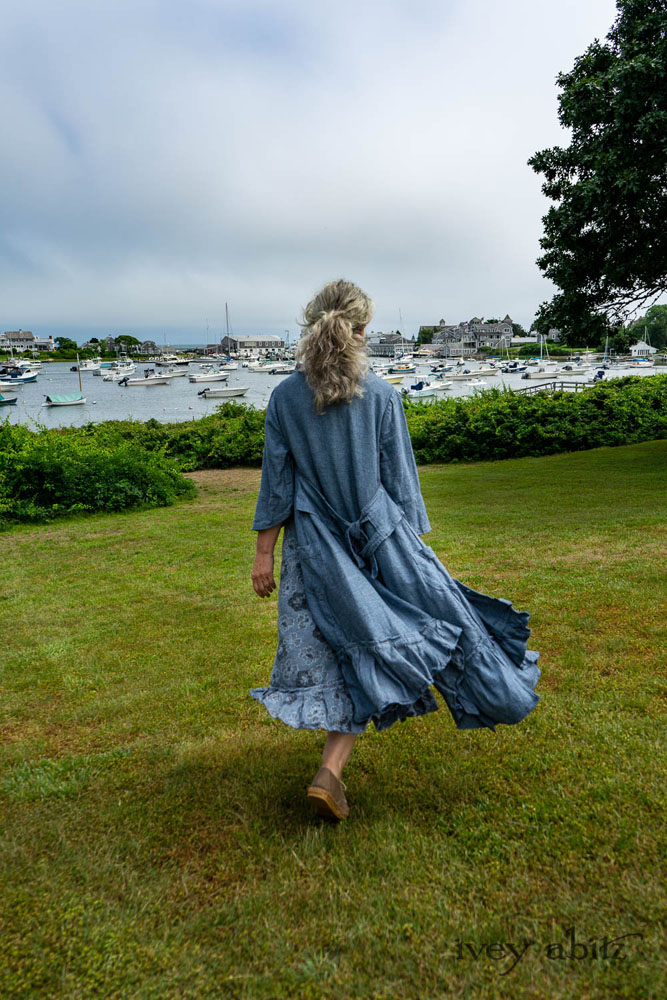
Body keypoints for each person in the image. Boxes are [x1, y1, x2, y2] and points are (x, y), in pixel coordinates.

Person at [251, 279, 540, 821]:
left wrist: (263, 554)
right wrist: (414, 555)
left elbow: (277, 487)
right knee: (414, 631)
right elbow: (401, 485)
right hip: (380, 541)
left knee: (345, 647)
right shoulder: (381, 395)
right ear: (361, 332)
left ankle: (330, 773)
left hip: (316, 551)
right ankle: (331, 772)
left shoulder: (284, 397)